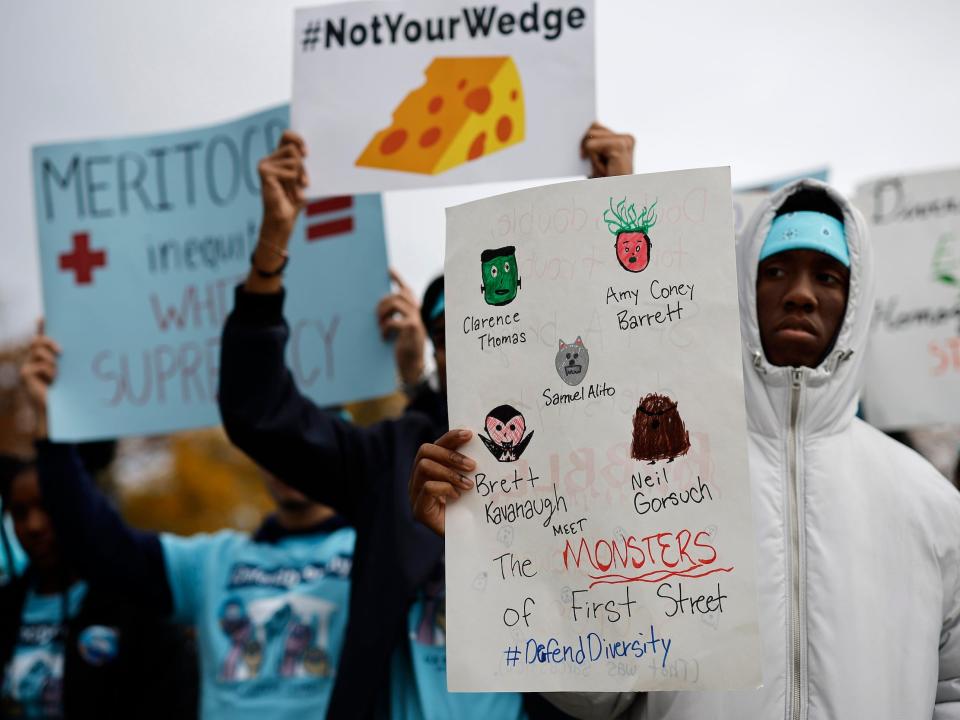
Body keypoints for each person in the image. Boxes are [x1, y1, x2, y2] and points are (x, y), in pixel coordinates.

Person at [409, 179, 960, 719]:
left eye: (828, 276)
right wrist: (476, 544)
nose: (800, 293)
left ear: (857, 299)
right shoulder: (657, 471)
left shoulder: (931, 506)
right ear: (743, 286)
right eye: (775, 271)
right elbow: (600, 693)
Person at [217, 122, 634, 719]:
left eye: (487, 326)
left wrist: (619, 205)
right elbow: (258, 412)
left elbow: (645, 358)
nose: (472, 348)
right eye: (449, 335)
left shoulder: (584, 438)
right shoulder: (392, 457)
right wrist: (272, 247)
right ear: (437, 350)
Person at [19, 326, 358, 720]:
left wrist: (416, 376)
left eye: (308, 435)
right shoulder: (213, 561)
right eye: (277, 436)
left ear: (340, 442)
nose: (291, 451)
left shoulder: (377, 552)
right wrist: (53, 429)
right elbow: (101, 548)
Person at [0, 453, 193, 718]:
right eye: (20, 514)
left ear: (81, 508)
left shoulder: (134, 605)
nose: (34, 526)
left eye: (49, 506)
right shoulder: (7, 605)